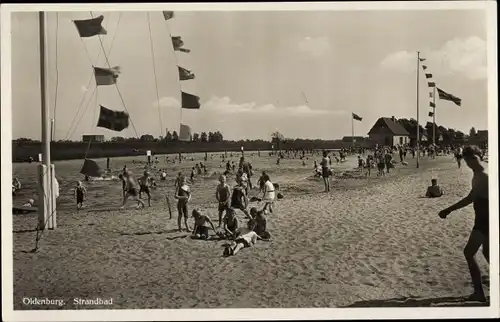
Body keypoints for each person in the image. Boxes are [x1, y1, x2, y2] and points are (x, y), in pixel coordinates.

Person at [438, 146, 489, 302]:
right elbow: (471, 197)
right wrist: (449, 209)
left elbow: (470, 198)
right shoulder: (478, 174)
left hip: (485, 220)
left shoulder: (485, 175)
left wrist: (448, 209)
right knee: (488, 254)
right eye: (467, 160)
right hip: (482, 219)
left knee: (469, 253)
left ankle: (479, 293)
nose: (470, 162)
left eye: (473, 158)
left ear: (480, 155)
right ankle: (480, 292)